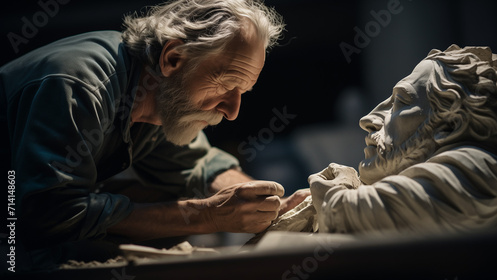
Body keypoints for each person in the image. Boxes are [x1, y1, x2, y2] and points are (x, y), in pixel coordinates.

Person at [0, 0, 308, 269]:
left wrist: (269, 204)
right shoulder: (79, 87)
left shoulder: (160, 98)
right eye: (227, 85)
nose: (232, 111)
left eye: (242, 91)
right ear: (173, 59)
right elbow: (50, 213)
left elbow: (200, 164)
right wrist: (207, 217)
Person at [309, 45, 497, 235]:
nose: (367, 120)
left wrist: (328, 196)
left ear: (450, 124)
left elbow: (346, 214)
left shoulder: (479, 169)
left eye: (400, 102)